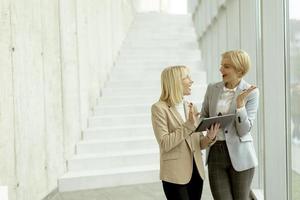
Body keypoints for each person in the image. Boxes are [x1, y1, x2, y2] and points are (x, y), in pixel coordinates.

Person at [151, 65, 220, 200]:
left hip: (196, 171)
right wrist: (188, 125)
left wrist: (209, 138)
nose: (191, 81)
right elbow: (165, 143)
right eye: (187, 77)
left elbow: (198, 143)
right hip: (175, 174)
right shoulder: (159, 108)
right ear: (175, 82)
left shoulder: (191, 106)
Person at [201, 50, 259, 200]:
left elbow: (244, 130)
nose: (221, 69)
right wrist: (208, 130)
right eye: (221, 65)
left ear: (239, 70)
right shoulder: (212, 88)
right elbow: (203, 116)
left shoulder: (251, 92)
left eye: (226, 66)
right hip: (215, 152)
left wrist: (240, 106)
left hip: (241, 154)